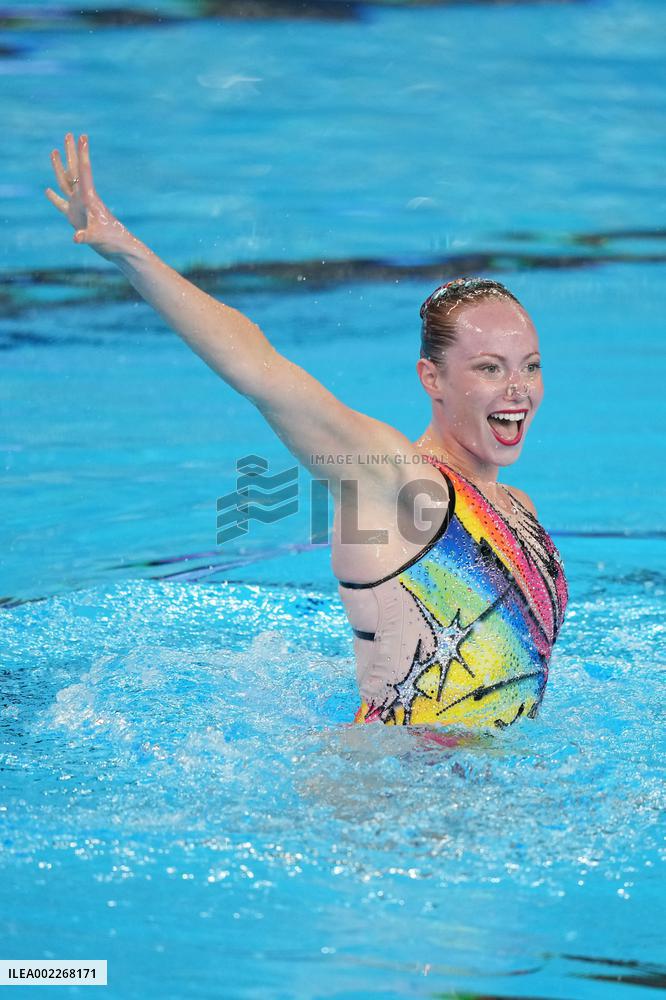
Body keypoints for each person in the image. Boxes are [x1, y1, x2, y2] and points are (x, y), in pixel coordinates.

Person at [45, 132, 568, 732]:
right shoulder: (401, 487)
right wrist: (126, 250)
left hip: (481, 791)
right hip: (394, 796)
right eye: (488, 369)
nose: (517, 390)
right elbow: (260, 370)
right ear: (433, 378)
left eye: (530, 366)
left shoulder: (518, 509)